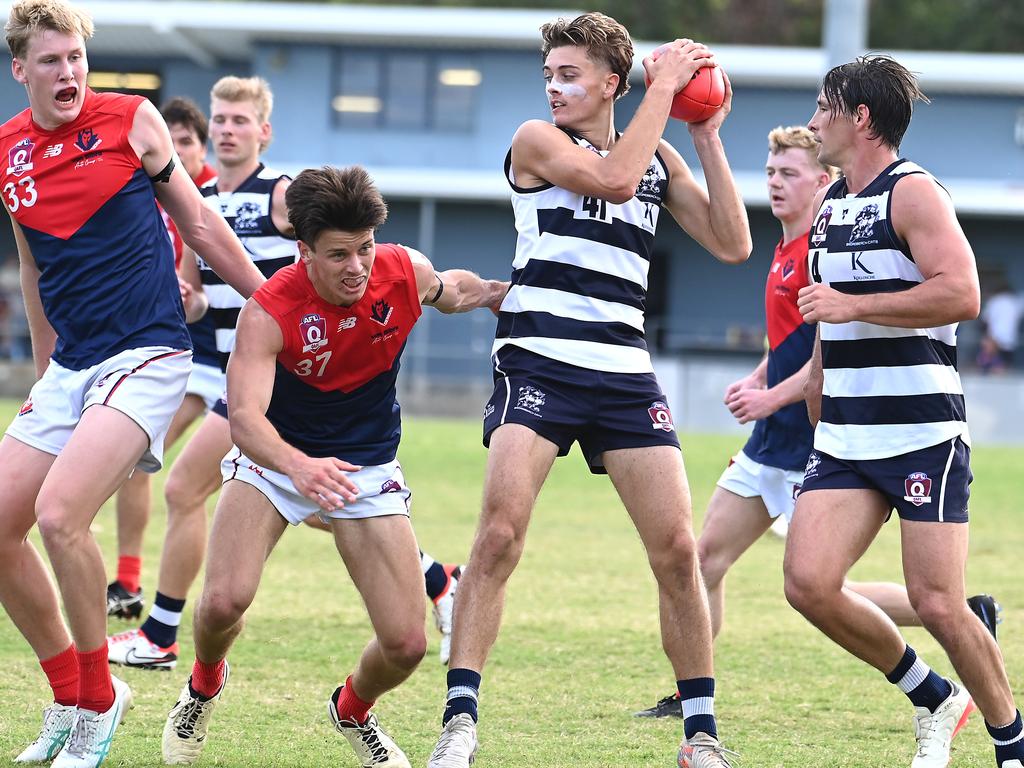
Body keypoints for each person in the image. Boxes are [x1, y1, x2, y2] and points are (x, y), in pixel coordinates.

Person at [427, 13, 751, 768]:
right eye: (550, 75)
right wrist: (664, 92)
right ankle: (459, 722)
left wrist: (704, 134)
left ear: (612, 82)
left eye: (569, 76)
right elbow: (612, 178)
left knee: (676, 550)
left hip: (622, 372)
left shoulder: (658, 153)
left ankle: (701, 734)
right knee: (500, 535)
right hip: (538, 362)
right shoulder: (537, 142)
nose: (554, 88)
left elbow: (734, 243)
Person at [634, 125, 1002, 719]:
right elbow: (798, 338)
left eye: (790, 174)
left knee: (828, 586)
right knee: (712, 561)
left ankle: (961, 632)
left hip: (817, 434)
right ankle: (690, 694)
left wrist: (773, 398)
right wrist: (760, 377)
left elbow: (829, 350)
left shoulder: (826, 246)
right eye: (771, 172)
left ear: (824, 180)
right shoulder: (786, 249)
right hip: (773, 438)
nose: (776, 184)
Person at [106, 77, 464, 672]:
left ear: (263, 132)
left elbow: (323, 261)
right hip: (218, 362)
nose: (225, 130)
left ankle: (162, 632)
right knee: (312, 498)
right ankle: (435, 576)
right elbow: (201, 290)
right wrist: (185, 301)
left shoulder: (282, 195)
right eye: (218, 119)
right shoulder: (203, 196)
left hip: (276, 378)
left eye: (238, 121)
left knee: (184, 487)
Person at [160, 165, 507, 767]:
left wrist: (520, 295)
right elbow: (243, 419)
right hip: (276, 460)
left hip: (366, 467)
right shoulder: (269, 310)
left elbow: (461, 290)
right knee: (221, 604)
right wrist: (300, 467)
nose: (357, 266)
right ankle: (204, 683)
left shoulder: (404, 271)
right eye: (339, 254)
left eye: (365, 248)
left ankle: (351, 708)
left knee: (405, 645)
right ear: (304, 252)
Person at [0, 2, 266, 766]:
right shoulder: (7, 153)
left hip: (148, 354)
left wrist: (271, 298)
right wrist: (48, 363)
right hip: (72, 367)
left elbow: (206, 226)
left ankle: (97, 701)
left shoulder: (133, 122)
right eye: (50, 61)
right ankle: (65, 693)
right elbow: (32, 266)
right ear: (21, 69)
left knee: (59, 517)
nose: (68, 73)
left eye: (76, 57)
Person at [786, 54, 1024, 768]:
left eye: (824, 107)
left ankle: (1012, 743)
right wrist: (817, 386)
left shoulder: (914, 193)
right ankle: (932, 696)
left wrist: (853, 306)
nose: (812, 120)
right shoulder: (830, 206)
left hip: (921, 434)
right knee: (807, 584)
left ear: (861, 118)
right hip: (846, 435)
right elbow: (830, 320)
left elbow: (961, 295)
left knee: (941, 604)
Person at [106, 96, 220, 622]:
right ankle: (129, 585)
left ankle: (430, 575)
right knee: (137, 457)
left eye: (188, 142)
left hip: (242, 364)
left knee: (303, 495)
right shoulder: (146, 198)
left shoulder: (221, 198)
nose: (176, 153)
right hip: (186, 360)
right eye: (168, 143)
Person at [976, 280, 1024, 375]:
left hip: (994, 337)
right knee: (1004, 364)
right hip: (1010, 338)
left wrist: (986, 335)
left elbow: (985, 320)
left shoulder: (994, 300)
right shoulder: (1015, 301)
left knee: (991, 364)